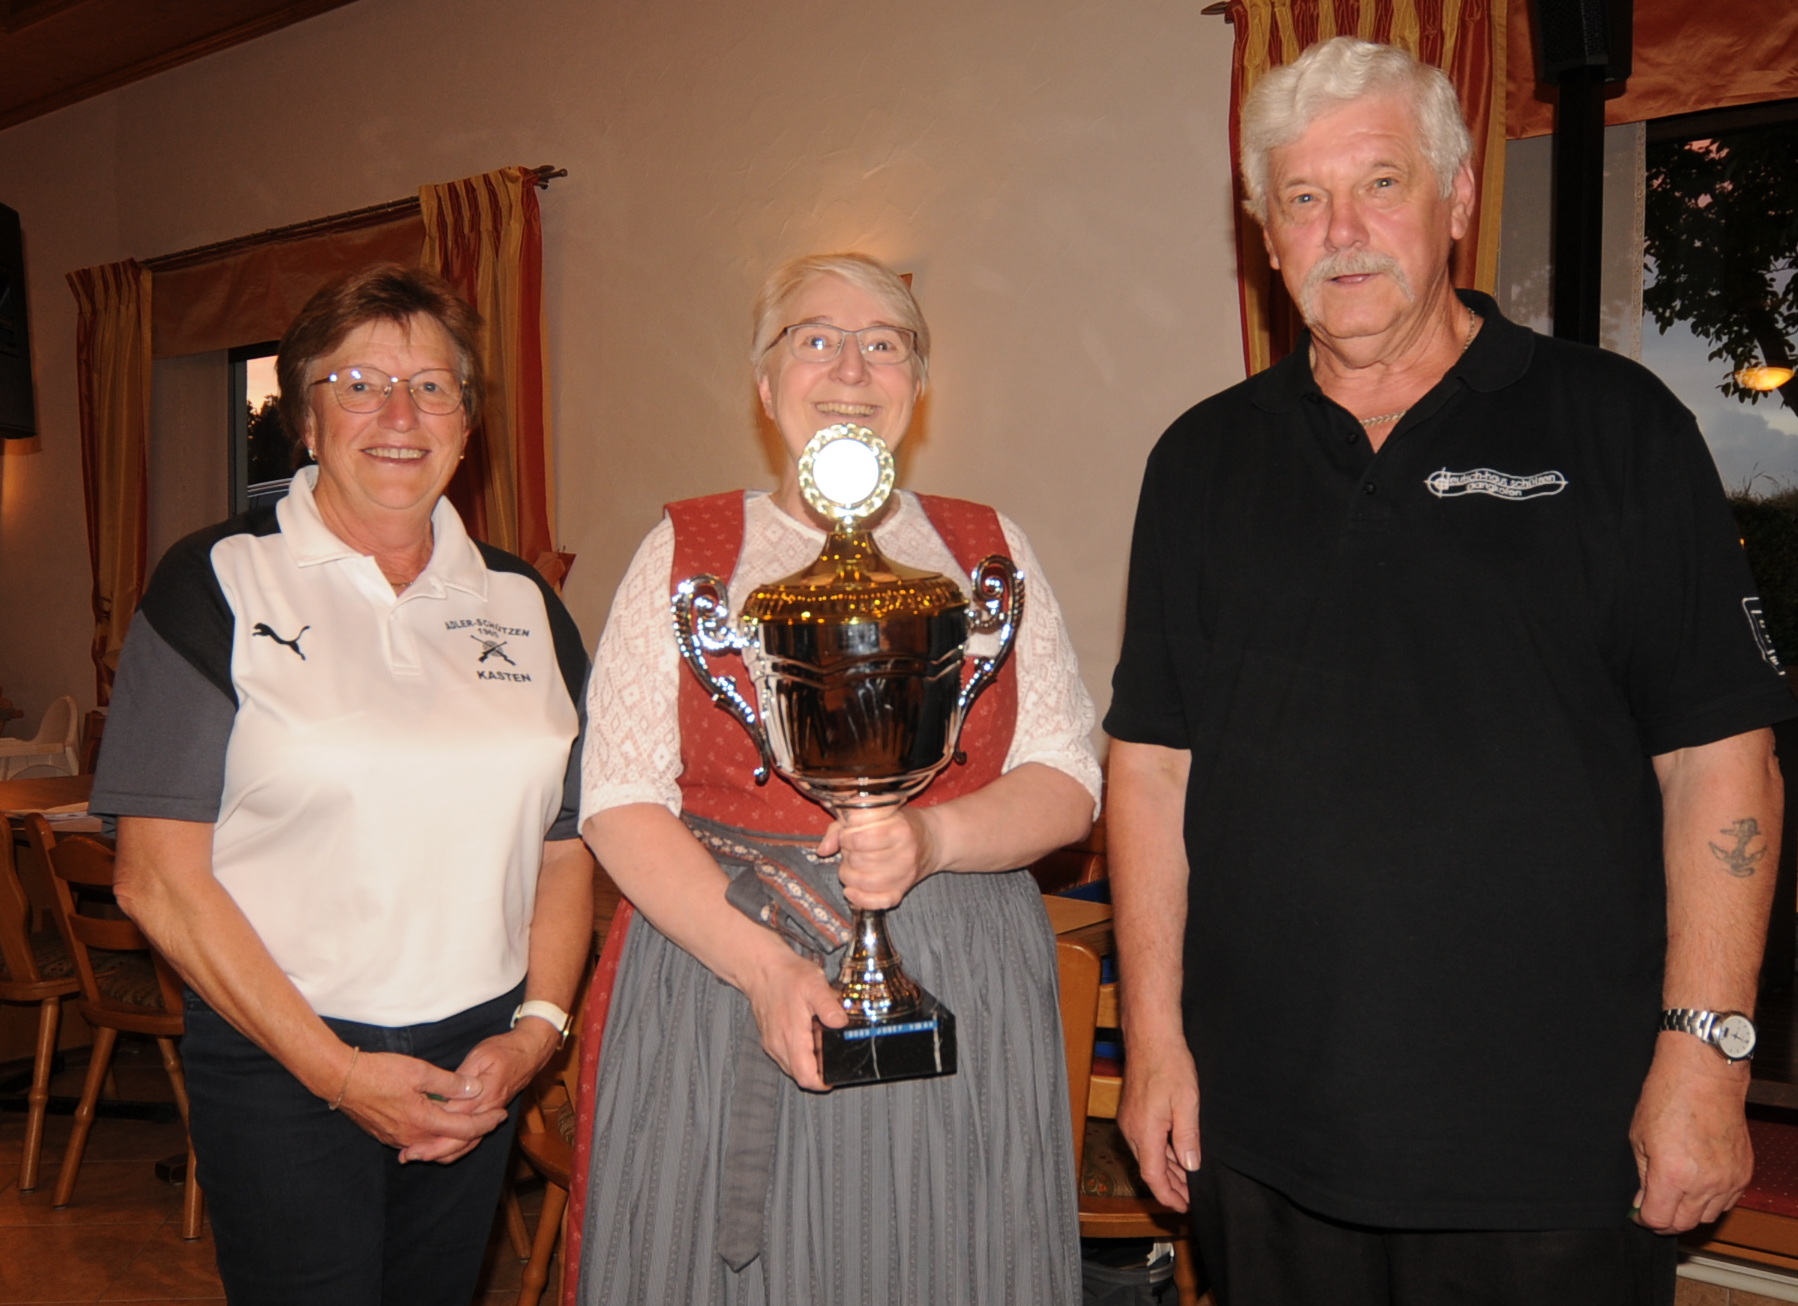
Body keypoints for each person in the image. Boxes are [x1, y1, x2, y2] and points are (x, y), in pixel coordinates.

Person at [1105, 36, 1795, 1306]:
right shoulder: (1198, 461)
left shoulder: (1619, 427)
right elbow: (1151, 766)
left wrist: (1706, 1056)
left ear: (1458, 198)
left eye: (1381, 184)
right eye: (1302, 198)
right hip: (1263, 1139)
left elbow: (1721, 758)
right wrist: (1154, 1040)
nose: (1342, 231)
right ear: (1264, 232)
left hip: (1553, 1145)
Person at [574, 251, 1100, 1304]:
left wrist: (933, 838)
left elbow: (1066, 775)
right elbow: (618, 798)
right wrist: (765, 972)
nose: (851, 368)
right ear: (764, 384)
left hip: (958, 962)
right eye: (815, 338)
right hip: (723, 962)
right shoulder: (687, 550)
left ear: (919, 383)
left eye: (884, 343)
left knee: (948, 1260)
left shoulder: (988, 548)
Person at [91, 264, 594, 1306]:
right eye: (358, 384)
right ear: (307, 422)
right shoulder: (217, 580)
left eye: (433, 387)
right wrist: (338, 1073)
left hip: (479, 1059)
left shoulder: (527, 603)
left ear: (467, 427)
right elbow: (155, 878)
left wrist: (535, 1032)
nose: (399, 416)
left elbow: (564, 844)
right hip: (284, 1056)